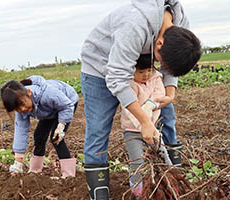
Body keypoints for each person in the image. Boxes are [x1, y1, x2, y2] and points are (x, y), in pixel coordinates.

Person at [80, 0, 201, 199]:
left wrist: (170, 94)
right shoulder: (134, 24)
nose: (160, 65)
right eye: (160, 61)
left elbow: (170, 65)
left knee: (166, 119)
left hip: (138, 67)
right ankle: (99, 194)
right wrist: (144, 121)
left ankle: (172, 179)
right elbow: (116, 77)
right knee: (98, 129)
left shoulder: (179, 26)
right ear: (159, 43)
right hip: (100, 69)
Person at [0, 75, 78, 178]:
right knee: (39, 136)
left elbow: (66, 106)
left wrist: (61, 126)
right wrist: (18, 162)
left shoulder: (48, 94)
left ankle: (69, 175)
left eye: (23, 104)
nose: (23, 109)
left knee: (56, 139)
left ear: (29, 93)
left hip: (67, 103)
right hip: (47, 110)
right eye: (17, 108)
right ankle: (34, 172)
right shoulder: (21, 109)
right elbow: (20, 132)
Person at [120, 54, 172, 197]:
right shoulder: (128, 86)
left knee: (163, 154)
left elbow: (159, 94)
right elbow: (131, 111)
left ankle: (172, 180)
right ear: (132, 71)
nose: (146, 75)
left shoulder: (156, 78)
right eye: (141, 72)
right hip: (132, 130)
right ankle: (138, 192)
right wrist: (143, 127)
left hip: (152, 127)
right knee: (137, 161)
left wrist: (151, 104)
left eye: (148, 70)